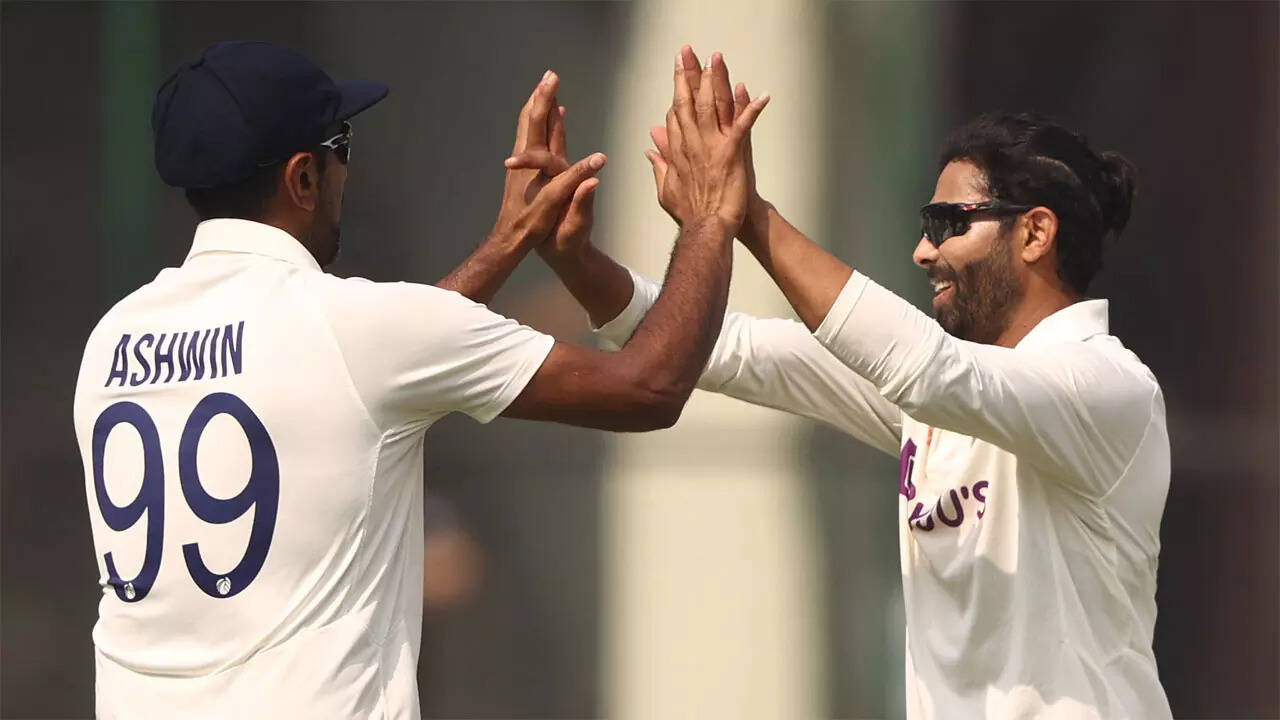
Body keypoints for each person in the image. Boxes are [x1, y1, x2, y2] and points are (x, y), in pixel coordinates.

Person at [72, 41, 766, 719]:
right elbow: (649, 388)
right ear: (303, 178)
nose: (347, 172)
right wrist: (709, 216)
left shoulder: (112, 340)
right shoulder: (349, 329)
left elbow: (370, 371)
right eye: (342, 144)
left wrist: (507, 242)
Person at [517, 46, 1171, 720]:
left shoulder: (1105, 387)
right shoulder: (944, 395)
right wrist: (577, 263)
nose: (923, 251)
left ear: (1034, 233)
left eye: (948, 223)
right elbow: (732, 348)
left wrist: (747, 216)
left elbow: (929, 369)